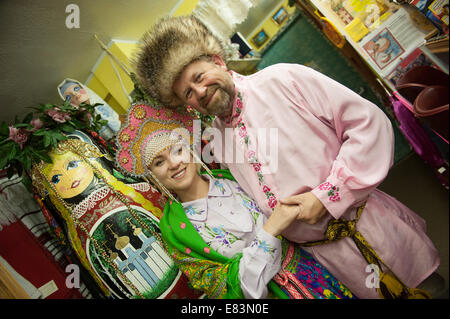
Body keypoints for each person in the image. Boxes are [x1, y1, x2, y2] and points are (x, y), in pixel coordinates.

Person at [133, 15, 440, 299]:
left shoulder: (281, 80)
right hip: (328, 263)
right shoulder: (217, 138)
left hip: (371, 228)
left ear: (218, 61)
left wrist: (327, 196)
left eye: (199, 76)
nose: (199, 91)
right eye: (187, 92)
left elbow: (368, 124)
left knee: (431, 290)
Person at [115, 101, 356, 299]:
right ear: (153, 177)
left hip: (314, 274)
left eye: (177, 150)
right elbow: (228, 292)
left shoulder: (234, 175)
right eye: (159, 162)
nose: (174, 163)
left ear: (190, 149)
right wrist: (270, 231)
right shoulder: (174, 231)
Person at [57, 78, 122, 141]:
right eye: (68, 97)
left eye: (76, 89)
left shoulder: (99, 106)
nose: (75, 94)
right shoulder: (82, 121)